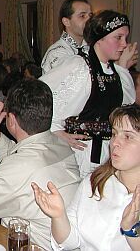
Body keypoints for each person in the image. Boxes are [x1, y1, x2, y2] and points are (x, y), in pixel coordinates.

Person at [0, 80, 80, 250]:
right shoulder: (60, 145)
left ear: (11, 119)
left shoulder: (20, 167)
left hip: (33, 246)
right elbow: (16, 155)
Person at [40, 10, 136, 177]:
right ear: (100, 39)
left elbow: (126, 107)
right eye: (118, 37)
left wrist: (122, 67)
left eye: (125, 38)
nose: (124, 44)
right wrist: (56, 132)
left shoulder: (113, 71)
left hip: (108, 154)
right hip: (82, 155)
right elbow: (41, 97)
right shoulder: (81, 68)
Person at [32, 104, 140, 251]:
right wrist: (59, 216)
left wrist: (131, 230)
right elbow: (70, 242)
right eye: (114, 134)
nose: (115, 143)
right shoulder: (95, 182)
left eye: (127, 137)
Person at [41, 0, 92, 74]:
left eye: (90, 15)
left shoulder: (92, 48)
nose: (89, 20)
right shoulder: (56, 53)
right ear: (66, 21)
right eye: (82, 16)